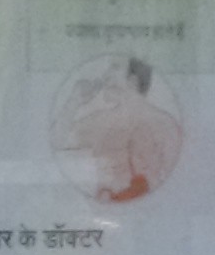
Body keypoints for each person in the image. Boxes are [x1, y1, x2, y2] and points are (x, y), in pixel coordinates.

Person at [51, 57, 181, 203]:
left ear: (132, 81)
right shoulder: (101, 121)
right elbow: (56, 140)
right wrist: (74, 101)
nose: (105, 75)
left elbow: (177, 184)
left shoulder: (166, 124)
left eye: (114, 67)